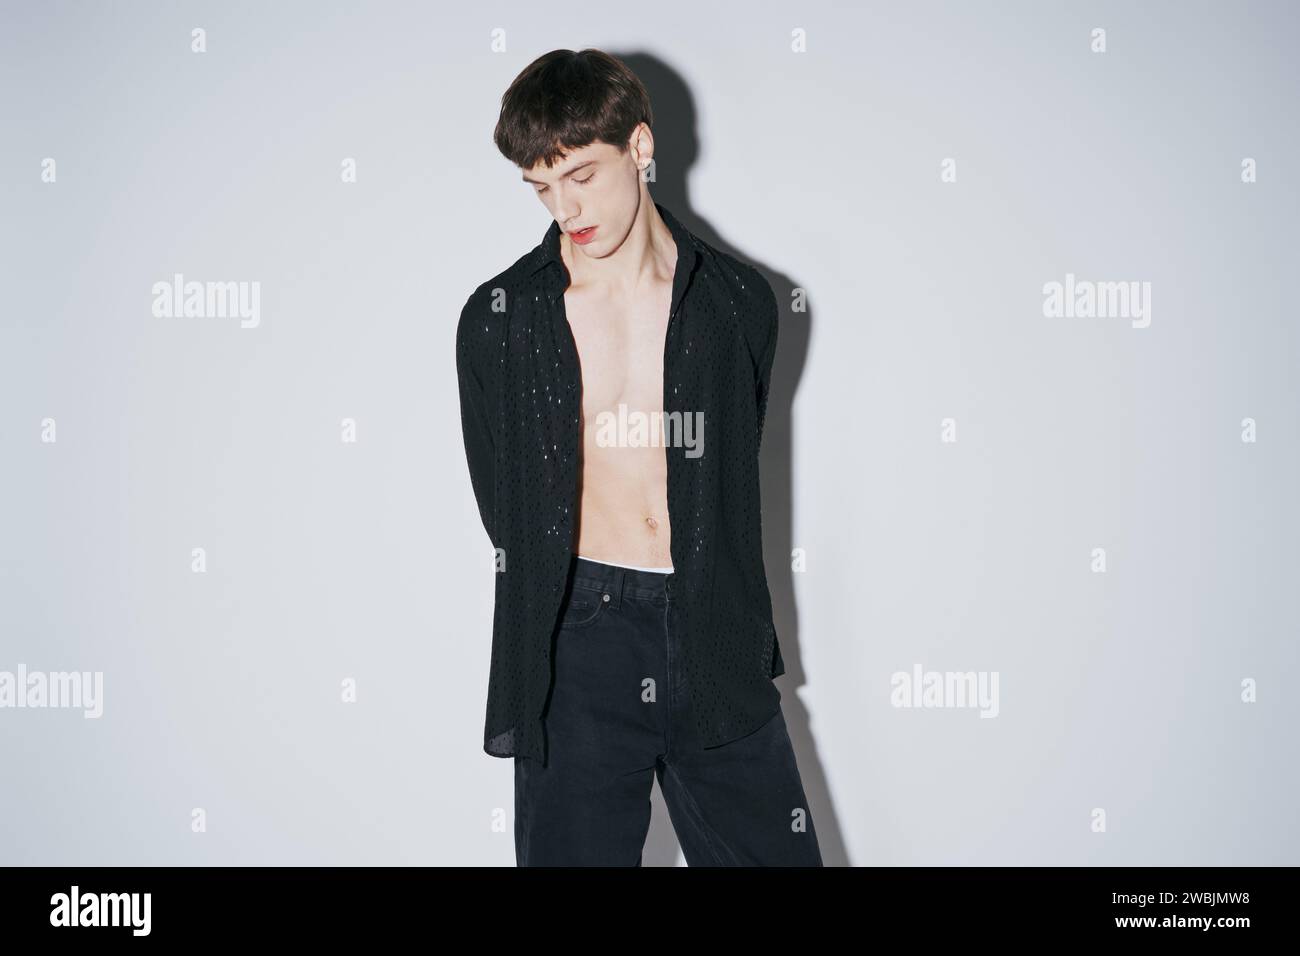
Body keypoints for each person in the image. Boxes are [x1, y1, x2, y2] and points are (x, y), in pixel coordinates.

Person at [456, 48, 822, 866]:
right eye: (542, 187)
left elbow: (728, 463)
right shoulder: (500, 319)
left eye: (581, 175)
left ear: (641, 146)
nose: (564, 208)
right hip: (578, 637)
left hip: (713, 625)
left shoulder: (736, 303)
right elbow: (502, 503)